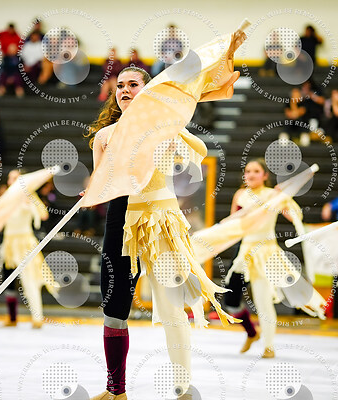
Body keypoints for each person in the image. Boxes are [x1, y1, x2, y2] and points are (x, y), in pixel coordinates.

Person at [88, 32, 246, 397]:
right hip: (121, 221)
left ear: (147, 90)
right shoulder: (104, 137)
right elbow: (100, 184)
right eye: (120, 86)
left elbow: (198, 143)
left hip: (161, 221)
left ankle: (183, 387)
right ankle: (116, 390)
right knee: (114, 307)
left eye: (133, 84)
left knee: (172, 306)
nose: (125, 90)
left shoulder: (163, 129)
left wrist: (173, 127)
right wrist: (91, 192)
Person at [224, 159, 326, 358]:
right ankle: (251, 333)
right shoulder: (240, 195)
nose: (251, 175)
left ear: (265, 175)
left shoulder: (273, 195)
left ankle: (269, 346)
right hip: (244, 251)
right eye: (248, 171)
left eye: (256, 171)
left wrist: (284, 197)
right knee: (230, 300)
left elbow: (294, 216)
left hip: (266, 253)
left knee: (263, 301)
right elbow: (233, 226)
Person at [0, 170, 57, 329]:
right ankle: (12, 317)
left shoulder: (29, 195)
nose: (11, 181)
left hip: (24, 243)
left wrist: (29, 202)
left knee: (29, 281)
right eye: (10, 178)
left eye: (15, 178)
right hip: (9, 244)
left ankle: (37, 318)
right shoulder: (6, 197)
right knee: (8, 281)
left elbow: (43, 215)